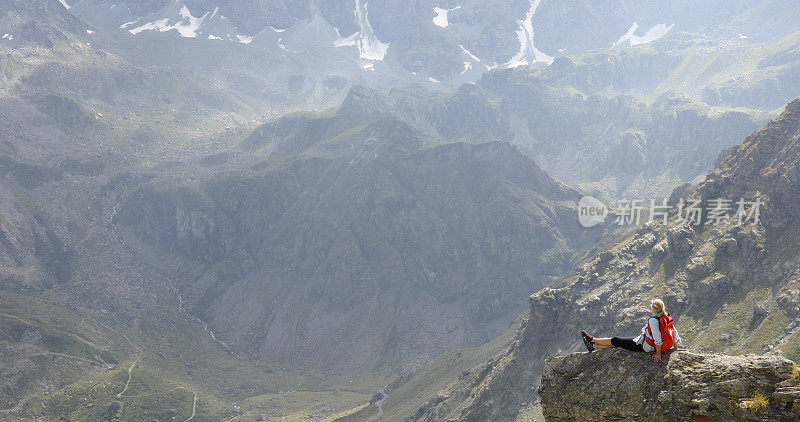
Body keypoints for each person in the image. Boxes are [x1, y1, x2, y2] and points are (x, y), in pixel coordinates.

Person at [580, 299, 681, 362]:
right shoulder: (666, 317)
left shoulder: (654, 320)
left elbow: (657, 338)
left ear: (653, 309)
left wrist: (658, 354)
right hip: (648, 342)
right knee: (620, 343)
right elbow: (674, 333)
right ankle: (593, 346)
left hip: (647, 346)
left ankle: (592, 340)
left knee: (617, 340)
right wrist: (675, 347)